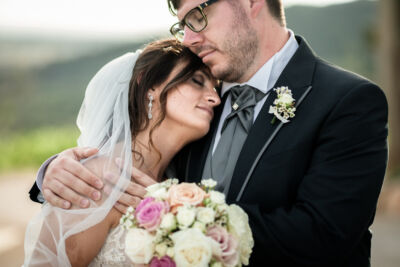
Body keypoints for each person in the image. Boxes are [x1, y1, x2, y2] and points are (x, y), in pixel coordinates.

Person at [30, 0, 389, 266]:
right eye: (181, 25)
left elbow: (325, 234)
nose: (188, 38)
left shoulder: (347, 101)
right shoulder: (197, 113)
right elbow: (137, 152)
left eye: (197, 16)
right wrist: (57, 170)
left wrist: (179, 215)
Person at [24, 38, 220, 266]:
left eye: (215, 88)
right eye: (197, 81)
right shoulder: (97, 178)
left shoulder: (179, 182)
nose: (214, 98)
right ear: (149, 87)